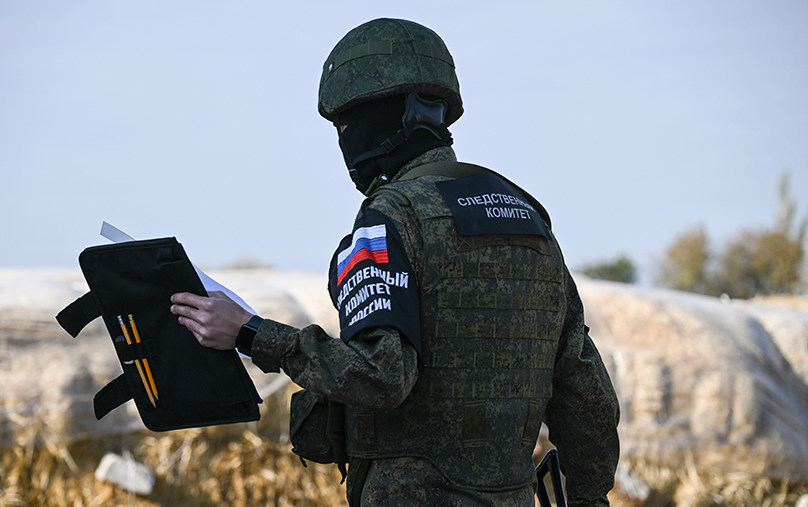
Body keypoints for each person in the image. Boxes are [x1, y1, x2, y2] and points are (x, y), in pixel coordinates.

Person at [170, 17, 620, 507]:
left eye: (344, 125)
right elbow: (585, 395)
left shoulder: (391, 217)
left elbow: (381, 375)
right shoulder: (527, 219)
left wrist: (251, 333)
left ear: (381, 116)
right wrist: (589, 498)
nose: (343, 141)